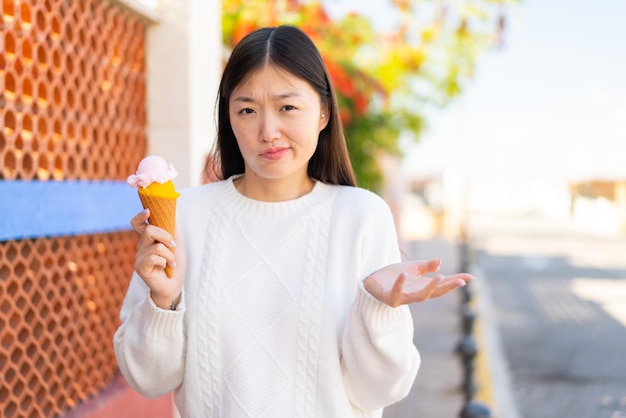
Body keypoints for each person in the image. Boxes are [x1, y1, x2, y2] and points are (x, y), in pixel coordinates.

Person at [114, 25, 473, 418]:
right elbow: (148, 380)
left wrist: (376, 308)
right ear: (229, 119)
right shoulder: (186, 217)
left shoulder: (361, 216)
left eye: (287, 107)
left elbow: (379, 392)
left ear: (323, 112)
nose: (268, 132)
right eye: (247, 110)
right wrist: (163, 303)